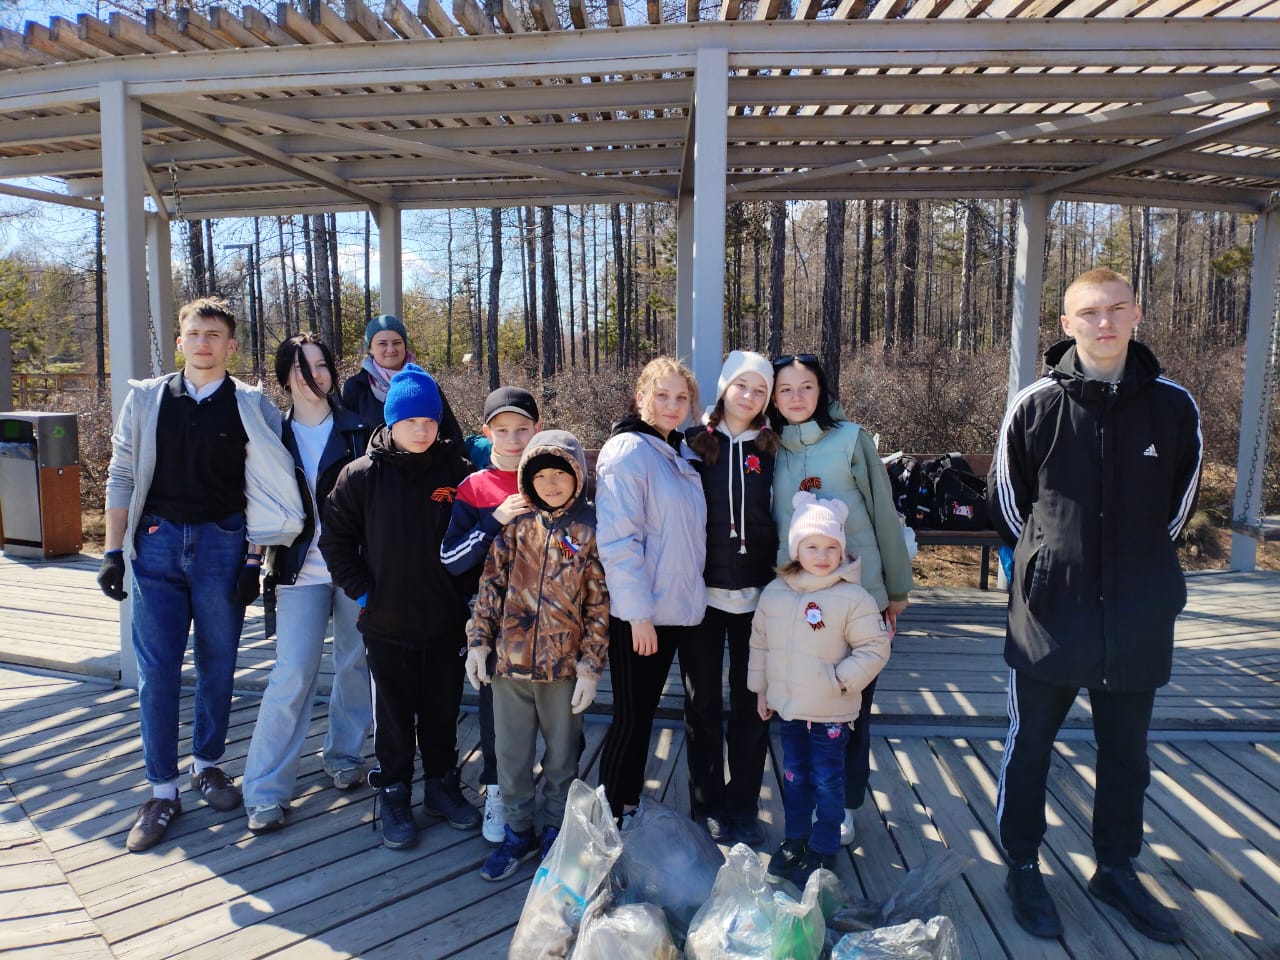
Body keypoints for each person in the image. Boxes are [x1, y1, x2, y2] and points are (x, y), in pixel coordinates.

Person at [988, 268, 1201, 944]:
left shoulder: (1173, 406)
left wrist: (1132, 566)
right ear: (1066, 323)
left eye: (1115, 310)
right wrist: (1054, 562)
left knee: (1126, 755)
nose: (1103, 324)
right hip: (1052, 613)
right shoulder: (1035, 403)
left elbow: (1180, 507)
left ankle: (1115, 868)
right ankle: (1023, 865)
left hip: (1137, 612)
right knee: (1030, 751)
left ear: (1137, 313)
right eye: (1088, 313)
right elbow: (1008, 503)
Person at [97, 298, 305, 853]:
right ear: (180, 341)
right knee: (157, 670)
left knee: (219, 663)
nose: (204, 343)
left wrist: (256, 561)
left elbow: (270, 486)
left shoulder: (251, 405)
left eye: (215, 334)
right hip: (156, 544)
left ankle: (208, 765)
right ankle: (162, 790)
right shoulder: (145, 400)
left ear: (231, 345)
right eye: (194, 333)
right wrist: (114, 551)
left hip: (223, 544)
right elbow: (120, 473)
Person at [319, 363, 480, 850]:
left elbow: (476, 536)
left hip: (445, 620)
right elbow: (336, 540)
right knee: (392, 715)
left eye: (430, 421)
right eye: (411, 421)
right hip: (385, 622)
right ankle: (393, 792)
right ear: (391, 422)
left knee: (441, 710)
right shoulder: (361, 476)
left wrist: (465, 595)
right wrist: (362, 591)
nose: (422, 430)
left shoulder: (457, 473)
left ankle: (441, 787)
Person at [769, 354, 912, 846]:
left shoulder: (851, 439)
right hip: (794, 601)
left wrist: (895, 589)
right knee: (799, 705)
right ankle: (804, 801)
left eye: (805, 387)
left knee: (849, 705)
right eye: (784, 389)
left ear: (822, 390)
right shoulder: (770, 448)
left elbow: (883, 513)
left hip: (856, 597)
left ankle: (846, 804)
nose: (795, 398)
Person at [240, 334, 374, 833]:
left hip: (354, 568)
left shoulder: (360, 431)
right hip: (297, 569)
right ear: (284, 375)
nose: (313, 375)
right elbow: (252, 499)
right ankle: (265, 789)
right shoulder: (271, 435)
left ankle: (343, 755)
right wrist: (251, 562)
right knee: (292, 673)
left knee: (355, 661)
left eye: (321, 365)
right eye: (301, 367)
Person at [465, 430, 610, 881]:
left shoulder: (590, 531)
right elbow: (489, 587)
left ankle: (555, 830)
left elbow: (598, 605)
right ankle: (519, 831)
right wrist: (478, 642)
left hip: (562, 669)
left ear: (577, 478)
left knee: (562, 757)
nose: (550, 484)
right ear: (528, 479)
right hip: (508, 667)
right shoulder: (514, 526)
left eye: (560, 475)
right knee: (510, 756)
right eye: (541, 475)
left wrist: (590, 667)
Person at [749, 492, 890, 888]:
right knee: (795, 777)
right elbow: (760, 644)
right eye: (812, 546)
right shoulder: (776, 593)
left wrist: (841, 680)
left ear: (842, 550)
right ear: (797, 548)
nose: (823, 554)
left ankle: (824, 846)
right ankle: (796, 840)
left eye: (831, 547)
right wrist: (761, 691)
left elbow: (875, 647)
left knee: (828, 780)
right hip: (790, 709)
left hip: (831, 711)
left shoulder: (853, 597)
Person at [595, 356, 707, 821]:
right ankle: (605, 822)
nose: (672, 405)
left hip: (678, 610)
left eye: (681, 397)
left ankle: (629, 807)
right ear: (641, 398)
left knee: (643, 718)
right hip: (640, 617)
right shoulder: (628, 452)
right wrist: (638, 615)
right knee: (631, 719)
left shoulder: (676, 451)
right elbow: (620, 540)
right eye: (661, 395)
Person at [683, 351, 779, 846]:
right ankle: (707, 804)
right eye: (741, 385)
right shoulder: (693, 444)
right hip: (702, 593)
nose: (749, 395)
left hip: (757, 595)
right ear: (723, 389)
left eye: (759, 388)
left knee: (751, 704)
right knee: (702, 703)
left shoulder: (772, 446)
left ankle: (743, 803)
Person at [441, 385, 542, 843]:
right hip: (494, 625)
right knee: (495, 715)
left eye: (523, 429)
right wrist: (494, 519)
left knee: (562, 719)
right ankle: (498, 791)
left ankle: (562, 796)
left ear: (537, 429)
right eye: (503, 431)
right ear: (487, 434)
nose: (515, 439)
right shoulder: (474, 487)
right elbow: (451, 559)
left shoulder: (553, 477)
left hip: (553, 624)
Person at [341, 313, 466, 448]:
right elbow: (345, 438)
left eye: (397, 343)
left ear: (404, 345)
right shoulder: (355, 388)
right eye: (382, 343)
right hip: (374, 466)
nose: (391, 349)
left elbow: (450, 433)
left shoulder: (425, 384)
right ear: (370, 348)